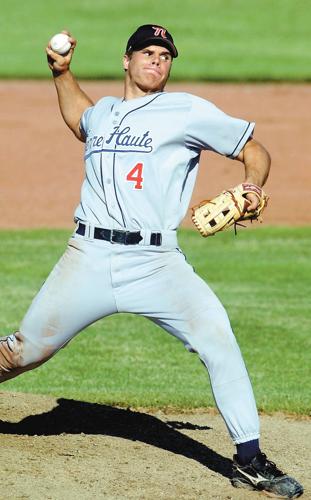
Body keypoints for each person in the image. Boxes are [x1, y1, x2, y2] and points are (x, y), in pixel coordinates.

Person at [0, 24, 303, 498]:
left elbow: (253, 150)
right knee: (24, 351)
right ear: (126, 60)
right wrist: (61, 72)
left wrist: (252, 186)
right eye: (147, 52)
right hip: (89, 257)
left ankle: (250, 461)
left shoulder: (186, 110)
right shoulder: (105, 113)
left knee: (217, 338)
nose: (157, 61)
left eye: (165, 55)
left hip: (158, 263)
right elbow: (81, 117)